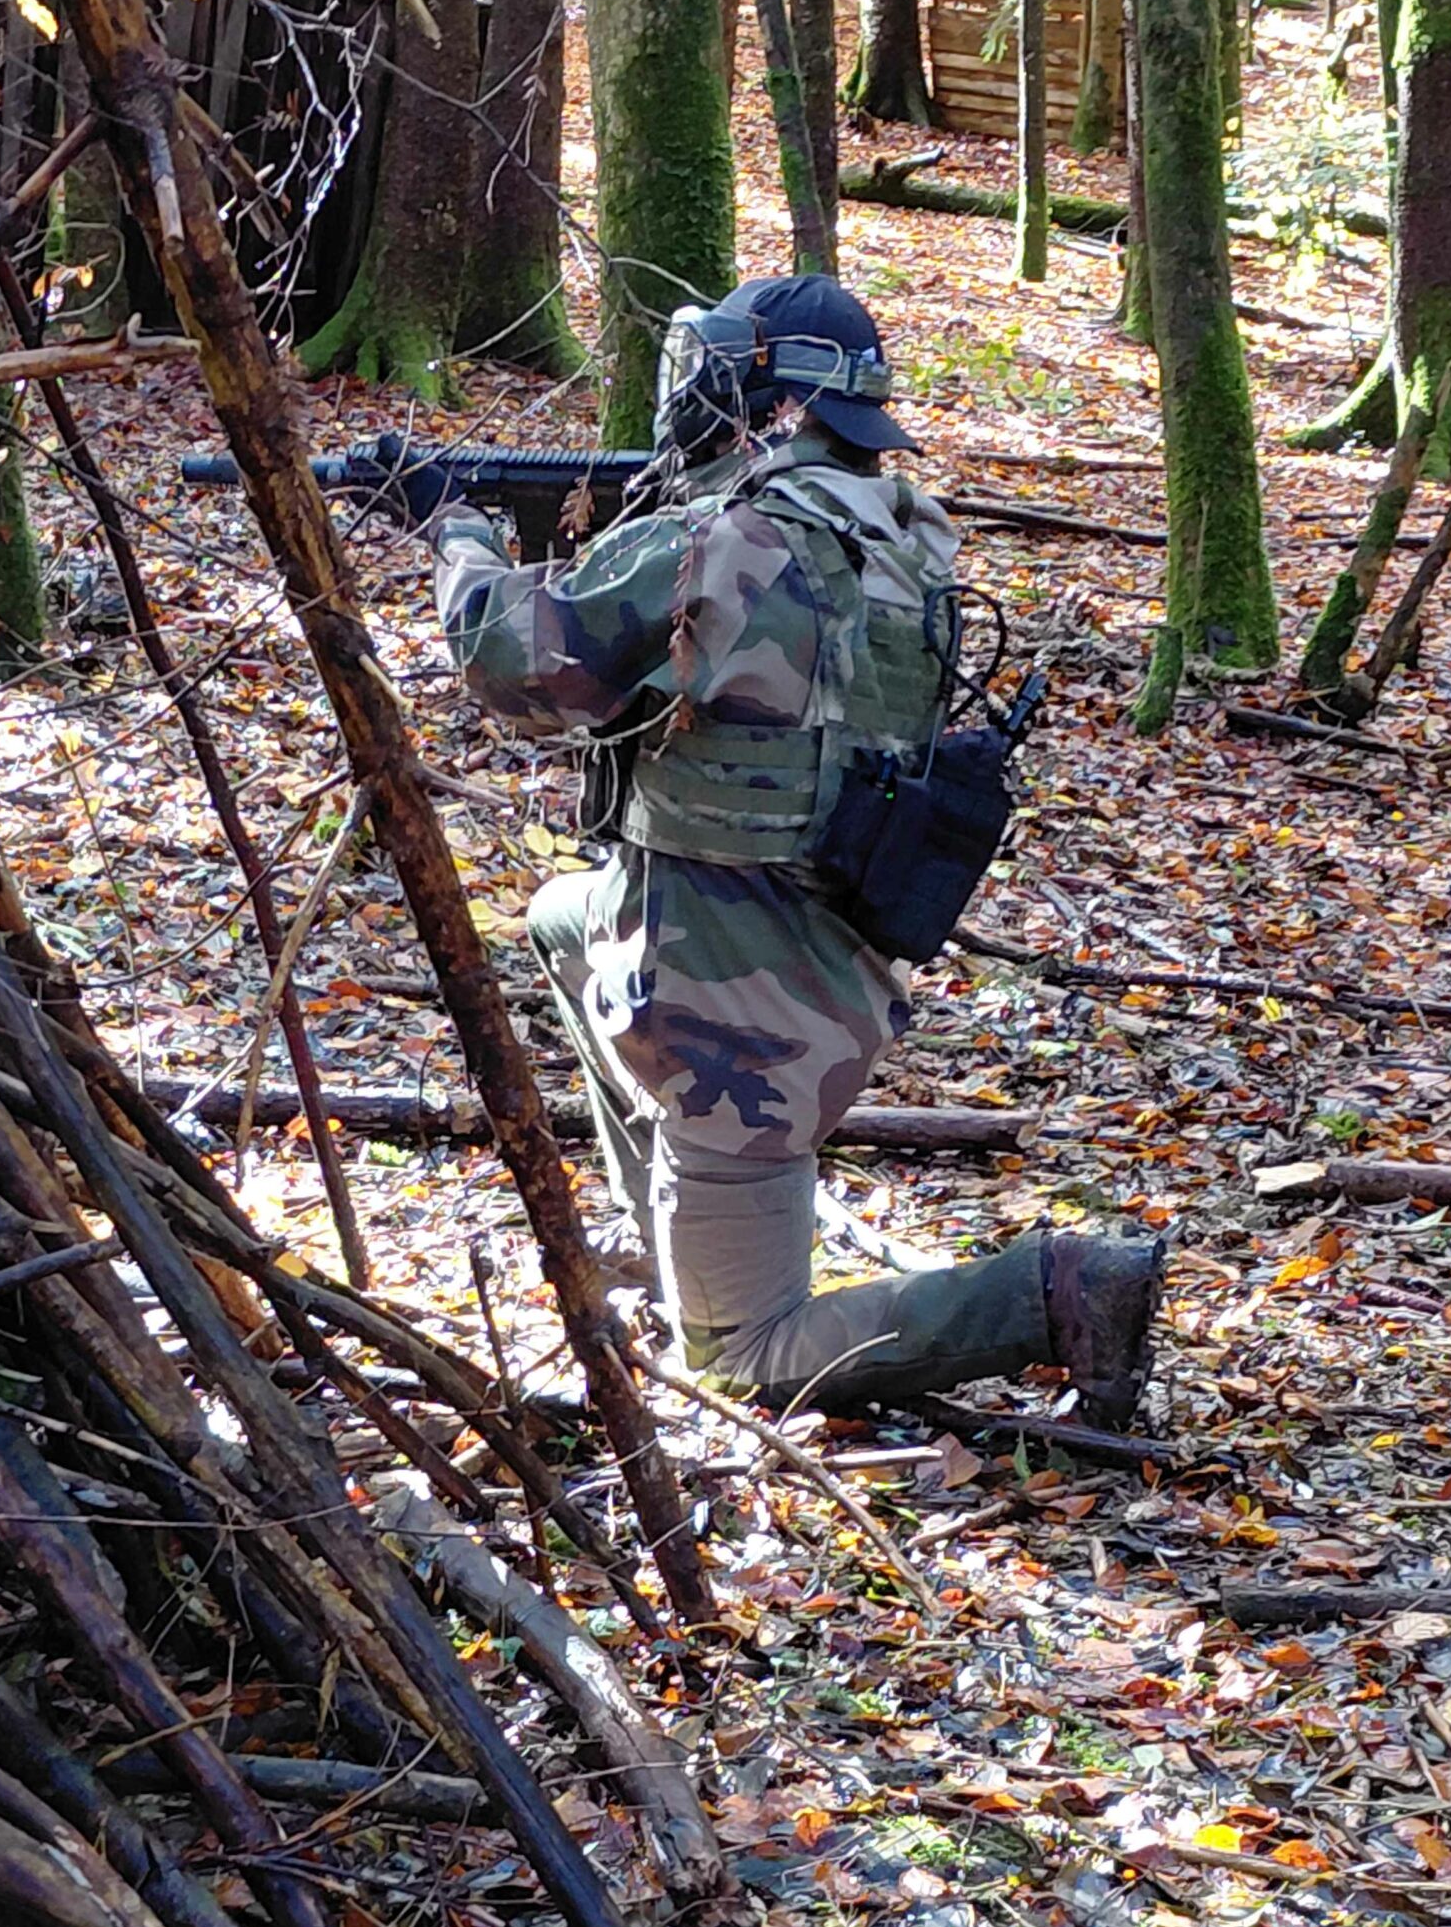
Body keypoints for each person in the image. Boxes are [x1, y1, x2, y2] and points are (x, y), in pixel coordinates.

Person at [415, 275, 1163, 1426]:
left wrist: (458, 536)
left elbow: (508, 660)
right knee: (566, 915)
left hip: (736, 1026)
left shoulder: (727, 539)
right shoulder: (901, 534)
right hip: (820, 957)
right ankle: (681, 1229)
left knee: (740, 1358)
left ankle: (1055, 1292)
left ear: (771, 401)